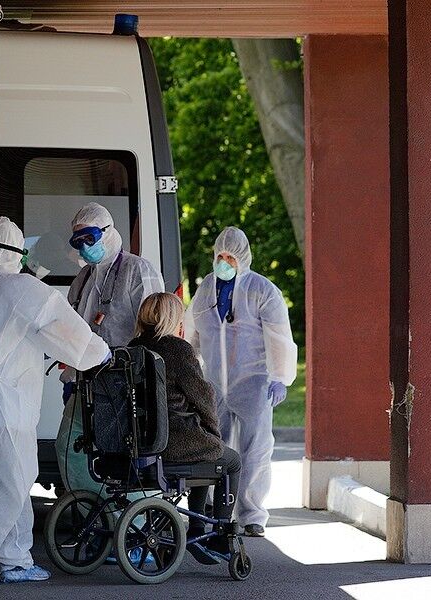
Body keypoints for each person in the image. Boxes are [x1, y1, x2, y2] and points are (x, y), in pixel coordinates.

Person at [0, 217, 110, 587]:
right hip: (4, 401)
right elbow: (70, 335)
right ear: (19, 253)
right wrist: (102, 354)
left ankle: (14, 558)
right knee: (14, 484)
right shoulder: (25, 289)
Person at [184, 227, 297, 537]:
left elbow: (279, 336)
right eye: (219, 256)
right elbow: (193, 331)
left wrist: (280, 377)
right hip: (214, 382)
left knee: (255, 448)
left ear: (243, 258)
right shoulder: (206, 289)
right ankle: (212, 507)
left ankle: (252, 515)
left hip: (253, 382)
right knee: (213, 446)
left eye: (230, 257)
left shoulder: (262, 290)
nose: (224, 262)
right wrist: (188, 366)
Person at [56, 202, 164, 494]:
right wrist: (69, 374)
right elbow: (72, 327)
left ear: (108, 232)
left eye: (89, 238)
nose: (84, 247)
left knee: (125, 456)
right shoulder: (83, 279)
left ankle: (131, 516)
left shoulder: (137, 270)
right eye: (77, 241)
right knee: (70, 447)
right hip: (85, 381)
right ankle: (95, 511)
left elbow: (156, 327)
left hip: (125, 380)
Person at [129, 292, 242, 562]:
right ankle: (218, 535)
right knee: (230, 460)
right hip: (177, 442)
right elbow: (203, 397)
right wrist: (213, 431)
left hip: (142, 443)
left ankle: (198, 528)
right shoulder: (177, 349)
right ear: (172, 318)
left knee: (208, 454)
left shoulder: (133, 348)